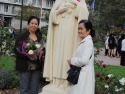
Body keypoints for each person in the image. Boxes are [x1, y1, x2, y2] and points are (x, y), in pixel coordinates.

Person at [42, 0, 89, 92]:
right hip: (58, 32)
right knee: (57, 55)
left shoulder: (79, 0)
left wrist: (75, 3)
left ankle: (67, 82)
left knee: (69, 54)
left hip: (72, 33)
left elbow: (85, 13)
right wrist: (59, 11)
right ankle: (56, 82)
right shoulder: (59, 1)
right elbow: (52, 15)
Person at [14, 16, 45, 94]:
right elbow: (16, 50)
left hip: (36, 66)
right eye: (32, 23)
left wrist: (42, 52)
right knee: (25, 89)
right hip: (25, 66)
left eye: (36, 24)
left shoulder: (39, 37)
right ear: (28, 24)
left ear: (38, 26)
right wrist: (27, 56)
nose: (34, 25)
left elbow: (43, 48)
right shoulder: (22, 36)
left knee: (34, 88)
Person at [67, 20, 95, 94]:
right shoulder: (85, 42)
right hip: (80, 74)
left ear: (88, 30)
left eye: (81, 29)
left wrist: (72, 61)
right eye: (78, 28)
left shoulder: (88, 42)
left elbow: (84, 60)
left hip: (84, 75)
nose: (79, 31)